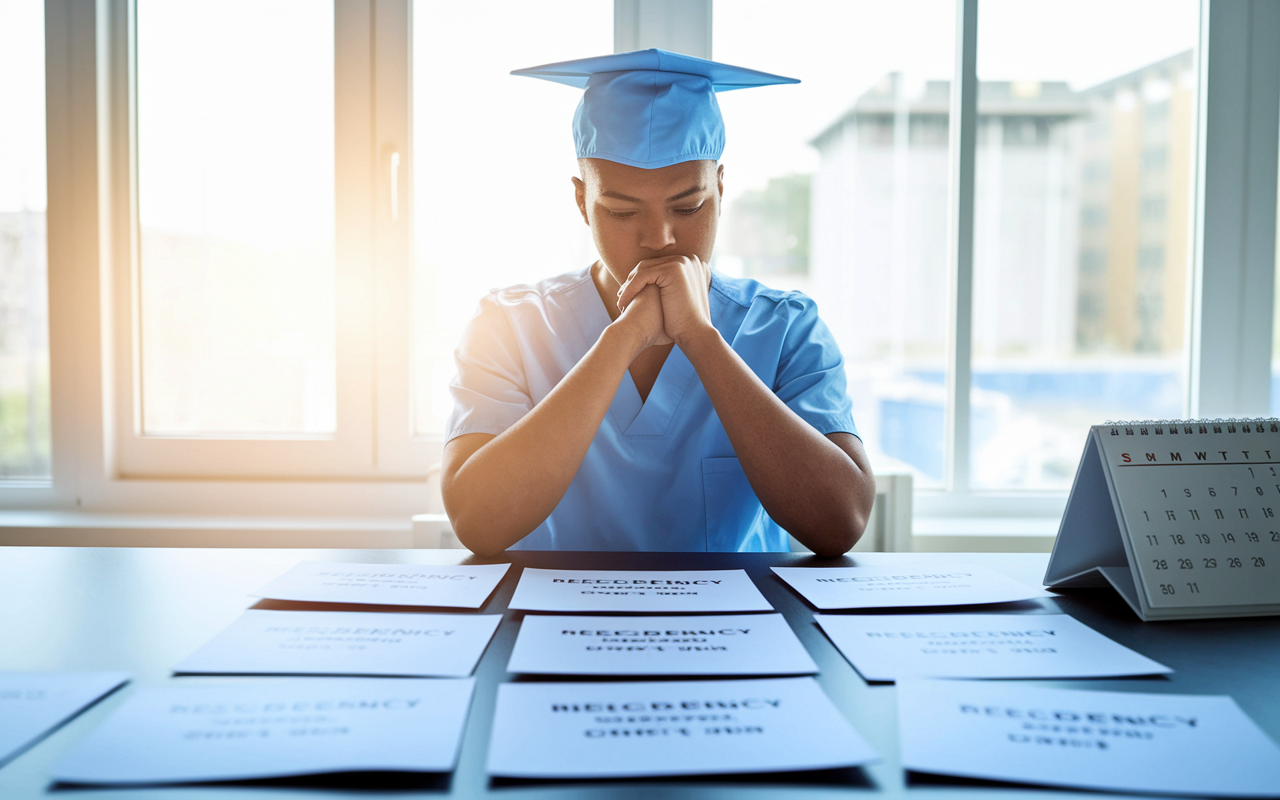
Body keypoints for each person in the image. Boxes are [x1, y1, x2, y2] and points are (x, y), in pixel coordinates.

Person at [441, 49, 875, 557]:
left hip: (739, 626)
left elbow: (841, 522)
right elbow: (477, 522)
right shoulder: (509, 326)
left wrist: (702, 340)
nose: (659, 239)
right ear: (582, 201)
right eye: (622, 211)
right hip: (557, 622)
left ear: (719, 186)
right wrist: (623, 338)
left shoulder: (785, 328)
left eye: (687, 206)